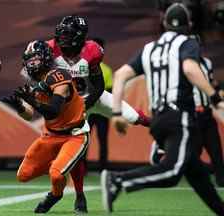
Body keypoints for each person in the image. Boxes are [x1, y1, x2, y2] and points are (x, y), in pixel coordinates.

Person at [101, 3, 224, 215]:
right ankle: (117, 179)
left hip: (158, 119)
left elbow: (120, 75)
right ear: (189, 25)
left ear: (164, 24)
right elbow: (189, 68)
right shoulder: (187, 43)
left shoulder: (149, 49)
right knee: (172, 172)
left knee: (196, 174)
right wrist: (213, 96)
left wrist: (117, 113)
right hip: (180, 117)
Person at [22, 15, 150, 213]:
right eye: (61, 33)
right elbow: (32, 72)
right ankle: (79, 196)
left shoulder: (91, 51)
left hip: (91, 97)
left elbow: (98, 85)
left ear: (79, 37)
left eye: (67, 34)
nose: (61, 38)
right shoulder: (48, 49)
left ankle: (164, 126)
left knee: (132, 116)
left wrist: (86, 103)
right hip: (68, 106)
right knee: (75, 150)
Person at [2, 40, 90, 213]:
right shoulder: (34, 82)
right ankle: (62, 163)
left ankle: (56, 194)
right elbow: (28, 114)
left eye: (34, 58)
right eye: (29, 60)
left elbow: (53, 111)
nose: (31, 63)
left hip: (74, 135)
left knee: (56, 174)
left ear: (45, 57)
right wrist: (19, 107)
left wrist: (32, 100)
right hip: (50, 136)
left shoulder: (59, 75)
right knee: (23, 175)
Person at [150, 55, 224, 186]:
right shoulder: (178, 62)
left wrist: (218, 93)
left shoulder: (206, 62)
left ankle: (220, 180)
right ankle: (161, 148)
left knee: (216, 152)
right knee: (191, 155)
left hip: (206, 114)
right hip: (191, 114)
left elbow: (211, 83)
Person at [87, 37, 113, 171]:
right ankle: (100, 169)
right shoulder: (85, 67)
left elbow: (109, 91)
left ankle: (102, 167)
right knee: (85, 139)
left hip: (95, 109)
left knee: (85, 139)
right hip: (93, 108)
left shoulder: (106, 70)